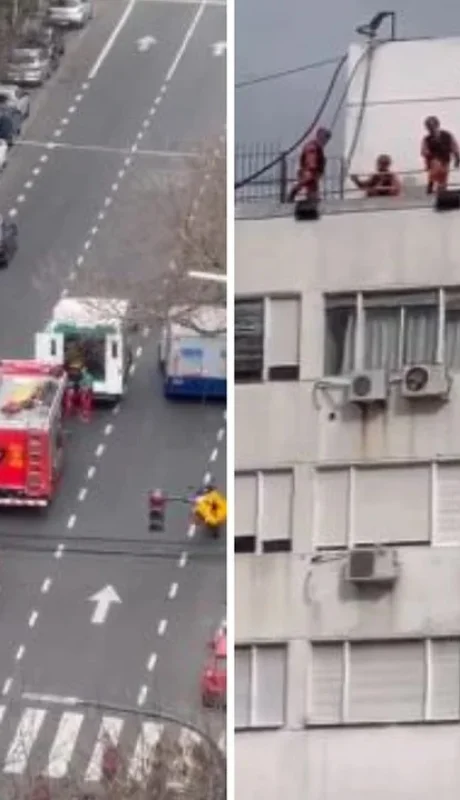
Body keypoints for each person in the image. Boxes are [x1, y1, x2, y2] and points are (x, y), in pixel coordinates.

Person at [288, 127, 332, 202]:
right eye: (325, 139)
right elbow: (311, 160)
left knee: (311, 188)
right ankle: (296, 195)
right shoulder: (313, 147)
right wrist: (313, 169)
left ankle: (311, 198)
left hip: (312, 174)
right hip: (310, 172)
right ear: (320, 137)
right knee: (309, 184)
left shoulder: (317, 147)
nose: (326, 142)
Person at [421, 116, 460, 194]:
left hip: (445, 160)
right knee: (435, 166)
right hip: (434, 161)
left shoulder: (447, 135)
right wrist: (428, 157)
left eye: (432, 126)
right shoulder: (427, 139)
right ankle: (431, 185)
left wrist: (457, 159)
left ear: (437, 125)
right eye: (428, 127)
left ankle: (441, 192)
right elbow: (424, 152)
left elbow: (454, 147)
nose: (430, 129)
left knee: (443, 180)